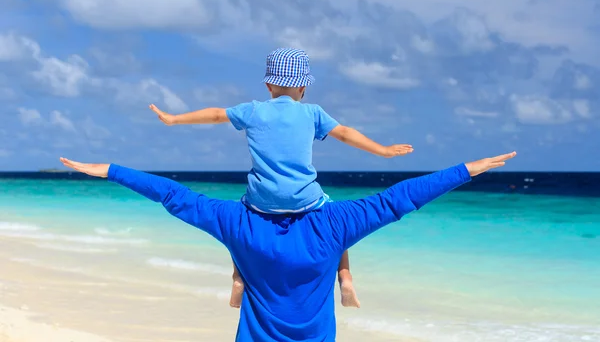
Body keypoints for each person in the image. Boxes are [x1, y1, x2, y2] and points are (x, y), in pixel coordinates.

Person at [59, 151, 516, 342]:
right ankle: (342, 276)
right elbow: (400, 198)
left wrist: (113, 170)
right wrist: (465, 170)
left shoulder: (236, 220)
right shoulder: (336, 222)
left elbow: (174, 196)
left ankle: (240, 275)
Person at [147, 48, 414, 308]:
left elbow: (216, 114)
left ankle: (239, 277)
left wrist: (173, 119)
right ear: (303, 89)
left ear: (268, 86)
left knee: (237, 224)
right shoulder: (312, 113)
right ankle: (344, 277)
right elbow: (344, 133)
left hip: (261, 201)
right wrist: (383, 150)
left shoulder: (252, 111)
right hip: (304, 199)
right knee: (336, 221)